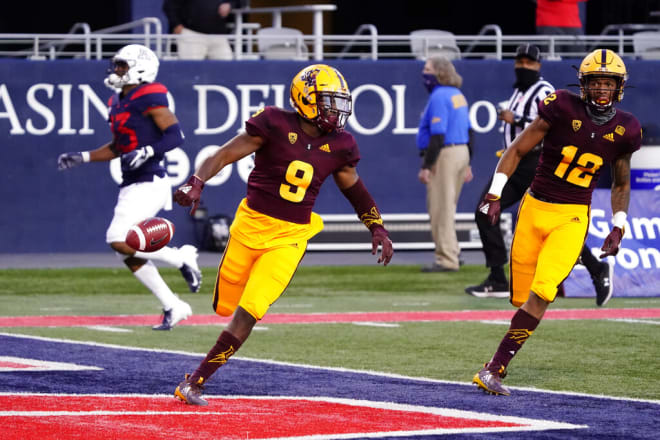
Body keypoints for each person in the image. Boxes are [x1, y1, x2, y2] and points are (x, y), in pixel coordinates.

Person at [171, 64, 394, 406]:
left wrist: (376, 225)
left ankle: (196, 381)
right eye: (329, 102)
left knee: (251, 309)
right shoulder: (274, 122)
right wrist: (197, 180)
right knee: (223, 306)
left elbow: (354, 188)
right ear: (306, 99)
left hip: (290, 237)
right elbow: (225, 153)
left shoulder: (341, 144)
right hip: (249, 227)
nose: (337, 111)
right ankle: (202, 367)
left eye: (339, 103)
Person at [472, 49, 641, 396]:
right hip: (534, 207)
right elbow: (516, 150)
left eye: (608, 83)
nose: (602, 90)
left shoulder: (626, 129)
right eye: (596, 83)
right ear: (583, 85)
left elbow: (621, 182)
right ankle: (497, 363)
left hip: (573, 215)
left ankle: (494, 368)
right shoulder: (561, 106)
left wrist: (618, 224)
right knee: (521, 297)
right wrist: (495, 193)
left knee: (544, 291)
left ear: (619, 87)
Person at [57, 44, 202, 331]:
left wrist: (148, 151)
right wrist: (83, 157)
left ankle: (181, 256)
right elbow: (118, 147)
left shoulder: (149, 93)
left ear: (140, 68)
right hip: (131, 183)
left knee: (117, 237)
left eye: (123, 65)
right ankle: (173, 305)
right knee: (125, 252)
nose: (117, 70)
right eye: (117, 65)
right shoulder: (117, 101)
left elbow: (176, 135)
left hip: (151, 180)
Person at [465, 44, 614, 306]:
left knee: (546, 224)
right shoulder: (519, 91)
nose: (523, 66)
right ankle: (499, 276)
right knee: (485, 210)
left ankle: (594, 269)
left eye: (529, 62)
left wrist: (517, 118)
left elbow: (548, 123)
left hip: (535, 162)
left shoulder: (544, 91)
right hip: (517, 162)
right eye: (519, 61)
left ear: (538, 65)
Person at [417, 55, 472, 273]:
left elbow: (438, 135)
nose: (424, 73)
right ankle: (453, 251)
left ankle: (447, 259)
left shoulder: (439, 96)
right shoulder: (458, 95)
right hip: (462, 151)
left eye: (428, 69)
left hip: (446, 154)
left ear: (439, 72)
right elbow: (470, 131)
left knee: (440, 208)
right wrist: (468, 163)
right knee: (449, 207)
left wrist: (426, 165)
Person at [162, 0, 241, 60]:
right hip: (191, 35)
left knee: (226, 68)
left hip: (218, 35)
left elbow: (240, 2)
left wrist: (230, 5)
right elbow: (169, 5)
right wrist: (176, 25)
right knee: (191, 70)